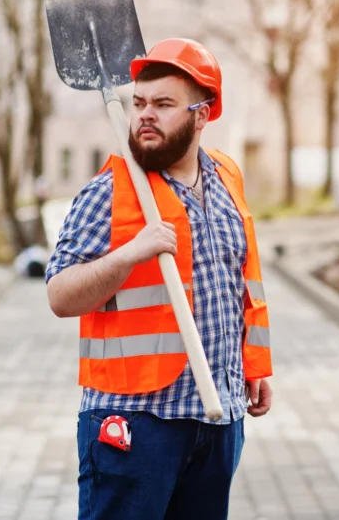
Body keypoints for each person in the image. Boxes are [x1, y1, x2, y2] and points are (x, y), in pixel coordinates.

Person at [45, 38, 273, 520]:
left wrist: (252, 367)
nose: (145, 115)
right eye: (140, 103)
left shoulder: (227, 178)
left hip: (219, 416)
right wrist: (130, 253)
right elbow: (60, 295)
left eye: (164, 105)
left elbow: (239, 285)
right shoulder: (110, 191)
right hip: (135, 422)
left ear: (203, 114)